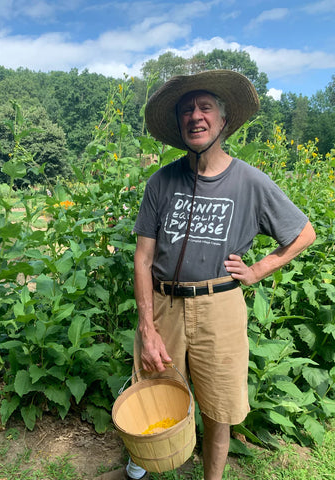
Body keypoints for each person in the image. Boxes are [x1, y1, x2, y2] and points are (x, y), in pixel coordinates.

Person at [97, 70, 316, 480]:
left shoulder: (250, 182)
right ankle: (139, 468)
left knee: (219, 409)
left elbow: (304, 233)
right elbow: (142, 259)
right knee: (154, 392)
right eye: (186, 110)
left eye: (205, 107)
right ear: (179, 124)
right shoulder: (161, 182)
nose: (195, 116)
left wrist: (257, 270)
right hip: (164, 305)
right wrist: (147, 327)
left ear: (223, 120)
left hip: (219, 307)